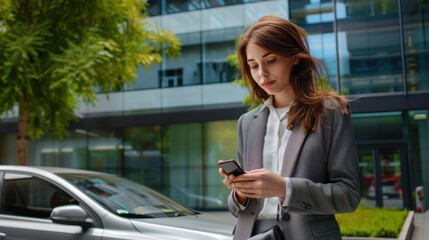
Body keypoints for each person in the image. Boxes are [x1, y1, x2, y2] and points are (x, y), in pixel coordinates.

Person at [218, 15, 360, 240]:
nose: (261, 73)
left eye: (271, 60)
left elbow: (348, 195)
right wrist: (241, 193)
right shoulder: (247, 123)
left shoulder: (330, 112)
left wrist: (285, 188)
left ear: (294, 57)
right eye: (253, 66)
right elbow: (238, 210)